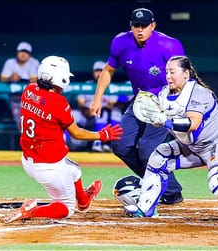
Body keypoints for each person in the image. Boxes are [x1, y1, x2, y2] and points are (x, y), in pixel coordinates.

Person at [124, 56, 218, 220]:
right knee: (158, 156)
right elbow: (161, 121)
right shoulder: (163, 95)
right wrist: (154, 119)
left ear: (186, 74)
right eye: (166, 72)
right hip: (192, 146)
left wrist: (165, 121)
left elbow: (193, 124)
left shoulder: (199, 93)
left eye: (172, 72)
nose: (168, 76)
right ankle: (145, 208)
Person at [4, 56, 123, 223]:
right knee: (66, 208)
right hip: (49, 166)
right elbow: (76, 133)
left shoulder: (29, 90)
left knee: (74, 170)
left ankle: (83, 201)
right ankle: (30, 212)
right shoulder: (58, 102)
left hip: (28, 160)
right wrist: (101, 135)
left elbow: (41, 103)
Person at [89, 8, 185, 204]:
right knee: (119, 144)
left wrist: (177, 104)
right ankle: (166, 186)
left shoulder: (170, 45)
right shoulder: (120, 42)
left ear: (153, 26)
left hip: (165, 101)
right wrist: (97, 98)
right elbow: (108, 70)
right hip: (140, 100)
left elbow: (184, 77)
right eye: (136, 26)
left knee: (148, 149)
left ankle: (170, 192)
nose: (140, 30)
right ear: (131, 26)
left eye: (144, 26)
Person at [69, 60, 121, 152]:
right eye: (96, 71)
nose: (99, 73)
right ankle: (64, 141)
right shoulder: (86, 85)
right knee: (72, 114)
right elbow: (80, 102)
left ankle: (100, 143)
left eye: (101, 71)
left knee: (103, 114)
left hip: (101, 115)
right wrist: (87, 110)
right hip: (85, 114)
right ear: (93, 72)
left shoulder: (110, 87)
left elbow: (111, 105)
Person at [0, 41, 40, 130]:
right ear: (17, 52)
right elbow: (2, 78)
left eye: (26, 52)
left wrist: (21, 78)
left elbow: (34, 79)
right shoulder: (10, 62)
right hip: (15, 97)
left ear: (30, 54)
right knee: (21, 123)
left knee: (33, 121)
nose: (23, 54)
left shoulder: (34, 62)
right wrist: (10, 77)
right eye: (21, 51)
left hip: (31, 97)